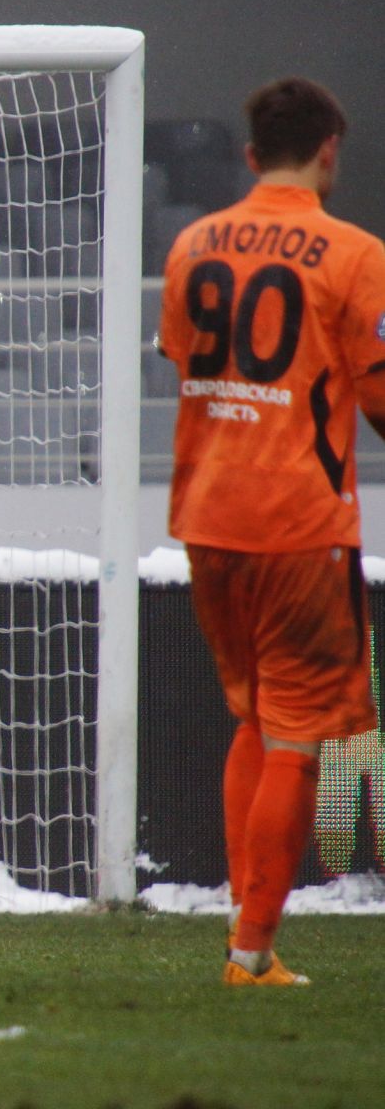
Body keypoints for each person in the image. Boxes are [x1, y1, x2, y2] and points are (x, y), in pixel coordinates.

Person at [158, 77, 385, 986]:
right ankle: (249, 951)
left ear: (250, 156)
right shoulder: (356, 253)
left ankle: (245, 935)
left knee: (252, 717)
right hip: (298, 523)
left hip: (209, 519)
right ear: (330, 151)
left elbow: (185, 360)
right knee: (296, 733)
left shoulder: (191, 243)